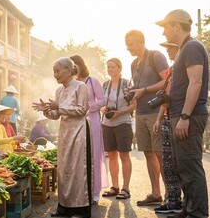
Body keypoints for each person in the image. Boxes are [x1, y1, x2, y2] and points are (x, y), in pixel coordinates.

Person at [156, 9, 209, 218]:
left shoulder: (192, 47)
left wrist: (185, 116)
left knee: (190, 166)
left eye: (166, 27)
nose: (164, 31)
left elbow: (196, 83)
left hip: (189, 115)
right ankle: (189, 211)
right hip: (180, 114)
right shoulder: (185, 48)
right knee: (182, 165)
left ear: (177, 25)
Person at [33, 57, 91, 218]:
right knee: (64, 168)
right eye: (54, 71)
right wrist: (45, 110)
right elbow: (56, 115)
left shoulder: (81, 86)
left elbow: (82, 110)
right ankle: (64, 206)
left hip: (79, 130)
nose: (55, 75)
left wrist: (59, 107)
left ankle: (81, 208)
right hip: (65, 131)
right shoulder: (59, 91)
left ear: (68, 70)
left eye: (58, 71)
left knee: (78, 168)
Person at [125, 29, 169, 206]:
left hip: (155, 112)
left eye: (130, 44)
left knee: (160, 154)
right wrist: (132, 91)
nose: (128, 48)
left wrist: (145, 90)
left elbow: (167, 82)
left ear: (141, 41)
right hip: (140, 112)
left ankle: (170, 196)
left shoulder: (156, 56)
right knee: (148, 154)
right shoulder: (134, 63)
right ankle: (156, 193)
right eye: (126, 45)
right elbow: (137, 85)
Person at [71, 54, 108, 205]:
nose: (72, 68)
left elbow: (103, 100)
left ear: (80, 65)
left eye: (74, 65)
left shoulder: (92, 81)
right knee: (79, 156)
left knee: (93, 154)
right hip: (76, 122)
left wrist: (88, 108)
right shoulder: (71, 84)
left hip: (92, 121)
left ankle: (94, 192)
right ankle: (80, 191)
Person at [152, 42, 183, 214]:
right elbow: (166, 98)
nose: (168, 51)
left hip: (177, 118)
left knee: (181, 162)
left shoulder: (183, 68)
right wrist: (158, 119)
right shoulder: (171, 70)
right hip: (166, 118)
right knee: (168, 162)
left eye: (171, 48)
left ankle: (186, 204)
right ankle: (173, 201)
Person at [100, 58, 136, 201]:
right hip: (107, 123)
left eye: (113, 67)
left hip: (123, 122)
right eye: (108, 67)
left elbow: (134, 105)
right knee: (112, 155)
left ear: (120, 69)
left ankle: (126, 188)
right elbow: (101, 103)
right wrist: (103, 108)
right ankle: (114, 186)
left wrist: (120, 112)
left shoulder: (127, 84)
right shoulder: (104, 85)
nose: (110, 70)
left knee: (124, 155)